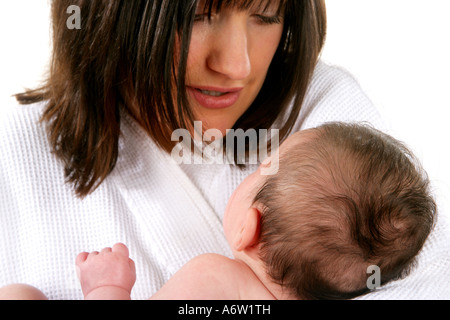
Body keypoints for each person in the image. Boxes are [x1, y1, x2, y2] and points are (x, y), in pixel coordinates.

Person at [1, 0, 449, 300]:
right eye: (198, 13)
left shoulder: (325, 116)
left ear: (248, 227)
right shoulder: (16, 154)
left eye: (268, 15)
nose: (238, 65)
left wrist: (108, 290)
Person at [0, 123, 436, 300]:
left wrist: (107, 288)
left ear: (249, 227)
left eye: (265, 166)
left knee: (19, 296)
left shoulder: (213, 280)